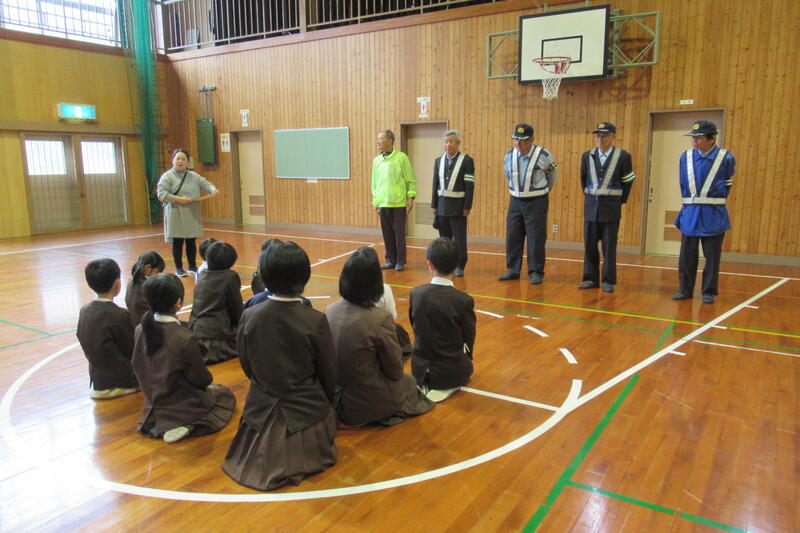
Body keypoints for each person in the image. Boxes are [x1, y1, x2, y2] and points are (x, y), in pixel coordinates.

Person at [223, 241, 337, 491]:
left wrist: (263, 384)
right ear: (304, 276)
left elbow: (246, 363)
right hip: (305, 410)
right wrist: (328, 400)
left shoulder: (249, 315)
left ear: (264, 275)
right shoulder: (314, 320)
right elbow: (327, 370)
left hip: (260, 406)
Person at [325, 247, 434, 426]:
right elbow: (394, 370)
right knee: (409, 382)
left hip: (334, 396)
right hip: (364, 401)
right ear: (375, 282)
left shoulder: (329, 310)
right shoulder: (379, 319)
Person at [132, 273, 236, 443]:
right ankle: (188, 424)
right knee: (224, 395)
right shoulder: (184, 337)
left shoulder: (140, 329)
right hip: (182, 402)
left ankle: (171, 421)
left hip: (153, 399)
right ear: (178, 303)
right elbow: (201, 379)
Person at [672, 120, 736, 304]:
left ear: (712, 138)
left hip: (713, 214)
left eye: (698, 138)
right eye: (693, 137)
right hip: (691, 213)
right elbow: (683, 183)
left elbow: (727, 183)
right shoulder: (685, 157)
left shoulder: (726, 158)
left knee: (712, 256)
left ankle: (708, 291)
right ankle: (685, 289)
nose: (694, 141)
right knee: (687, 255)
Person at [410, 238, 476, 403]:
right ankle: (446, 384)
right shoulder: (463, 300)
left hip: (419, 369)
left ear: (429, 265)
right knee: (468, 365)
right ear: (456, 265)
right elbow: (469, 337)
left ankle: (427, 384)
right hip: (450, 372)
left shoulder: (415, 293)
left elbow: (414, 324)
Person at [578, 122, 636, 293]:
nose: (600, 139)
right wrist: (591, 198)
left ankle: (608, 280)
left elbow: (628, 180)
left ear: (612, 137)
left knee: (609, 247)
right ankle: (590, 278)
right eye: (597, 136)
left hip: (611, 209)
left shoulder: (623, 156)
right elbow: (583, 179)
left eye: (604, 136)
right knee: (589, 246)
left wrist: (620, 201)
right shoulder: (587, 156)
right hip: (591, 208)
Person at [499, 124, 558, 284]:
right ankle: (513, 270)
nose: (518, 143)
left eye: (523, 140)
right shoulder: (509, 155)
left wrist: (542, 191)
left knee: (535, 238)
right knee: (513, 237)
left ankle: (536, 272)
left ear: (531, 140)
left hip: (536, 202)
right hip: (515, 202)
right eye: (515, 140)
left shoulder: (544, 155)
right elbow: (507, 174)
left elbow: (552, 175)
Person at [76, 258, 139, 399]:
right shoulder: (120, 315)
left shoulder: (84, 311)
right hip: (123, 382)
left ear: (89, 284)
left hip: (98, 381)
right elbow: (134, 350)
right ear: (117, 284)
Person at [157, 148, 219, 277]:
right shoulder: (167, 176)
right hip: (175, 213)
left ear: (187, 162)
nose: (180, 161)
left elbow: (205, 184)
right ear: (173, 160)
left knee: (191, 241)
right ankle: (179, 268)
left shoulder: (194, 176)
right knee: (178, 241)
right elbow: (161, 194)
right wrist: (178, 199)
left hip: (191, 213)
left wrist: (212, 188)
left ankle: (192, 266)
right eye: (178, 159)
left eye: (183, 159)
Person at [188, 241, 243, 364]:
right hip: (215, 335)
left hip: (195, 330)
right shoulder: (230, 276)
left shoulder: (202, 274)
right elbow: (236, 308)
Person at [431, 130, 475, 277]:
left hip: (458, 208)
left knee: (459, 239)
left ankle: (460, 265)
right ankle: (445, 264)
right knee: (444, 239)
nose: (447, 145)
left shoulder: (467, 161)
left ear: (458, 143)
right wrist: (434, 205)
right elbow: (435, 184)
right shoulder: (438, 161)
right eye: (445, 142)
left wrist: (467, 206)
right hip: (442, 207)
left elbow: (469, 186)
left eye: (451, 141)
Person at [371, 129, 417, 271]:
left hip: (398, 203)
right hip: (383, 203)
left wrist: (411, 197)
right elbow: (375, 184)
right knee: (387, 234)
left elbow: (410, 180)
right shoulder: (377, 161)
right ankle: (390, 260)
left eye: (381, 138)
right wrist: (376, 201)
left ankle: (400, 261)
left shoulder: (401, 158)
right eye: (377, 139)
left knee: (399, 234)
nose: (378, 142)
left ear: (390, 141)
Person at [124, 250, 165, 327]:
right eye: (157, 272)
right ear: (148, 267)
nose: (157, 276)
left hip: (134, 324)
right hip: (147, 327)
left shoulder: (131, 280)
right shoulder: (147, 288)